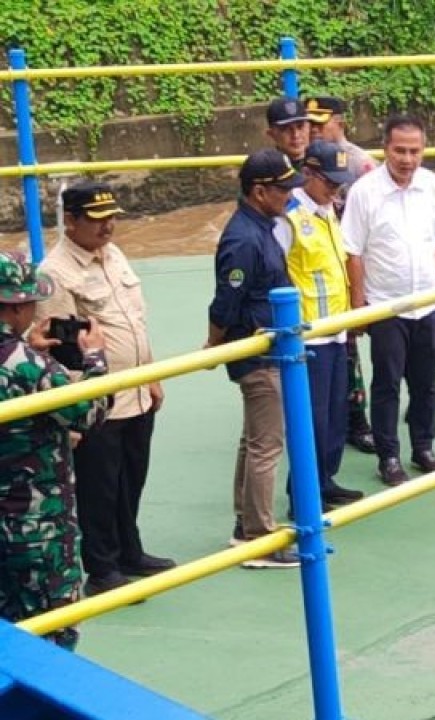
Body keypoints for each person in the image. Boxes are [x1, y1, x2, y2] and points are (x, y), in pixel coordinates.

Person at [34, 182, 175, 598]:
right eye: (97, 220)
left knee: (132, 477)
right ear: (71, 221)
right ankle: (102, 567)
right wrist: (76, 411)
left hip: (135, 391)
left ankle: (130, 551)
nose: (107, 226)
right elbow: (59, 350)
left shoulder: (113, 255)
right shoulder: (55, 273)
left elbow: (134, 320)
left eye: (111, 217)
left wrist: (151, 373)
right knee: (99, 487)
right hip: (96, 400)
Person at [0, 250, 111, 650]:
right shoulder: (30, 367)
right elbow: (90, 413)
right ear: (14, 308)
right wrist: (95, 360)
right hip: (36, 525)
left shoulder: (27, 361)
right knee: (52, 633)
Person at [342, 114, 435, 485]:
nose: (407, 159)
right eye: (399, 151)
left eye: (415, 151)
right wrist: (359, 306)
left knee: (426, 382)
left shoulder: (434, 186)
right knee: (387, 383)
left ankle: (423, 447)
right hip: (386, 304)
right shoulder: (364, 192)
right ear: (385, 150)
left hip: (428, 300)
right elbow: (353, 252)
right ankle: (388, 456)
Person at [206, 149, 302, 569]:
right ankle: (259, 538)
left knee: (254, 441)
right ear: (259, 191)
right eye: (282, 189)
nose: (289, 196)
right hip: (258, 354)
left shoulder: (260, 227)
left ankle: (246, 526)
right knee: (267, 445)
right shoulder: (244, 238)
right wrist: (214, 344)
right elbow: (226, 302)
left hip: (267, 350)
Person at [273, 141, 365, 510]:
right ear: (308, 174)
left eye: (339, 184)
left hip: (336, 330)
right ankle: (304, 495)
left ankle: (325, 481)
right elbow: (277, 271)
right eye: (329, 182)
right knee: (311, 421)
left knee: (335, 418)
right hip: (309, 334)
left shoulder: (328, 210)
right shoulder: (289, 216)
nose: (335, 190)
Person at [304, 95, 378, 455]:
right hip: (315, 270)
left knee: (352, 350)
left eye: (322, 122)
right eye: (310, 123)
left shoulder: (362, 165)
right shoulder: (302, 163)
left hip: (351, 263)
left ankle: (357, 419)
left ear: (341, 123)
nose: (315, 129)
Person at [266, 97, 310, 171]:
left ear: (309, 127)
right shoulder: (265, 169)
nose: (296, 135)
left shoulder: (324, 165)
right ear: (271, 134)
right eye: (286, 129)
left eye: (300, 127)